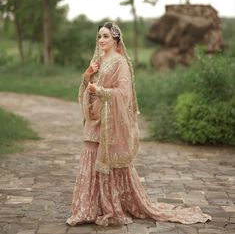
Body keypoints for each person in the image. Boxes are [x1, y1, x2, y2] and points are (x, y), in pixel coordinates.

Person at [66, 22, 211, 227]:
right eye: (99, 36)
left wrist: (101, 92)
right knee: (90, 156)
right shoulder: (97, 60)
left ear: (116, 39)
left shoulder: (120, 62)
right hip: (96, 117)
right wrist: (88, 75)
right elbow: (87, 85)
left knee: (107, 161)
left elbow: (124, 94)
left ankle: (111, 206)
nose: (101, 40)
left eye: (106, 36)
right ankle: (87, 208)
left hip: (110, 120)